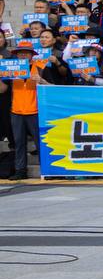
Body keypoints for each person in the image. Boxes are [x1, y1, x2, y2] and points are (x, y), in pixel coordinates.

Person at [8, 42, 48, 179]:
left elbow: (53, 87)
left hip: (36, 111)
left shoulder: (41, 67)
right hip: (16, 111)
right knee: (19, 143)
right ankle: (20, 171)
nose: (23, 54)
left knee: (40, 142)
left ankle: (46, 170)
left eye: (26, 52)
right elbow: (3, 89)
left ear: (32, 54)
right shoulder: (10, 70)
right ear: (16, 55)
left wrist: (41, 80)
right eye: (20, 52)